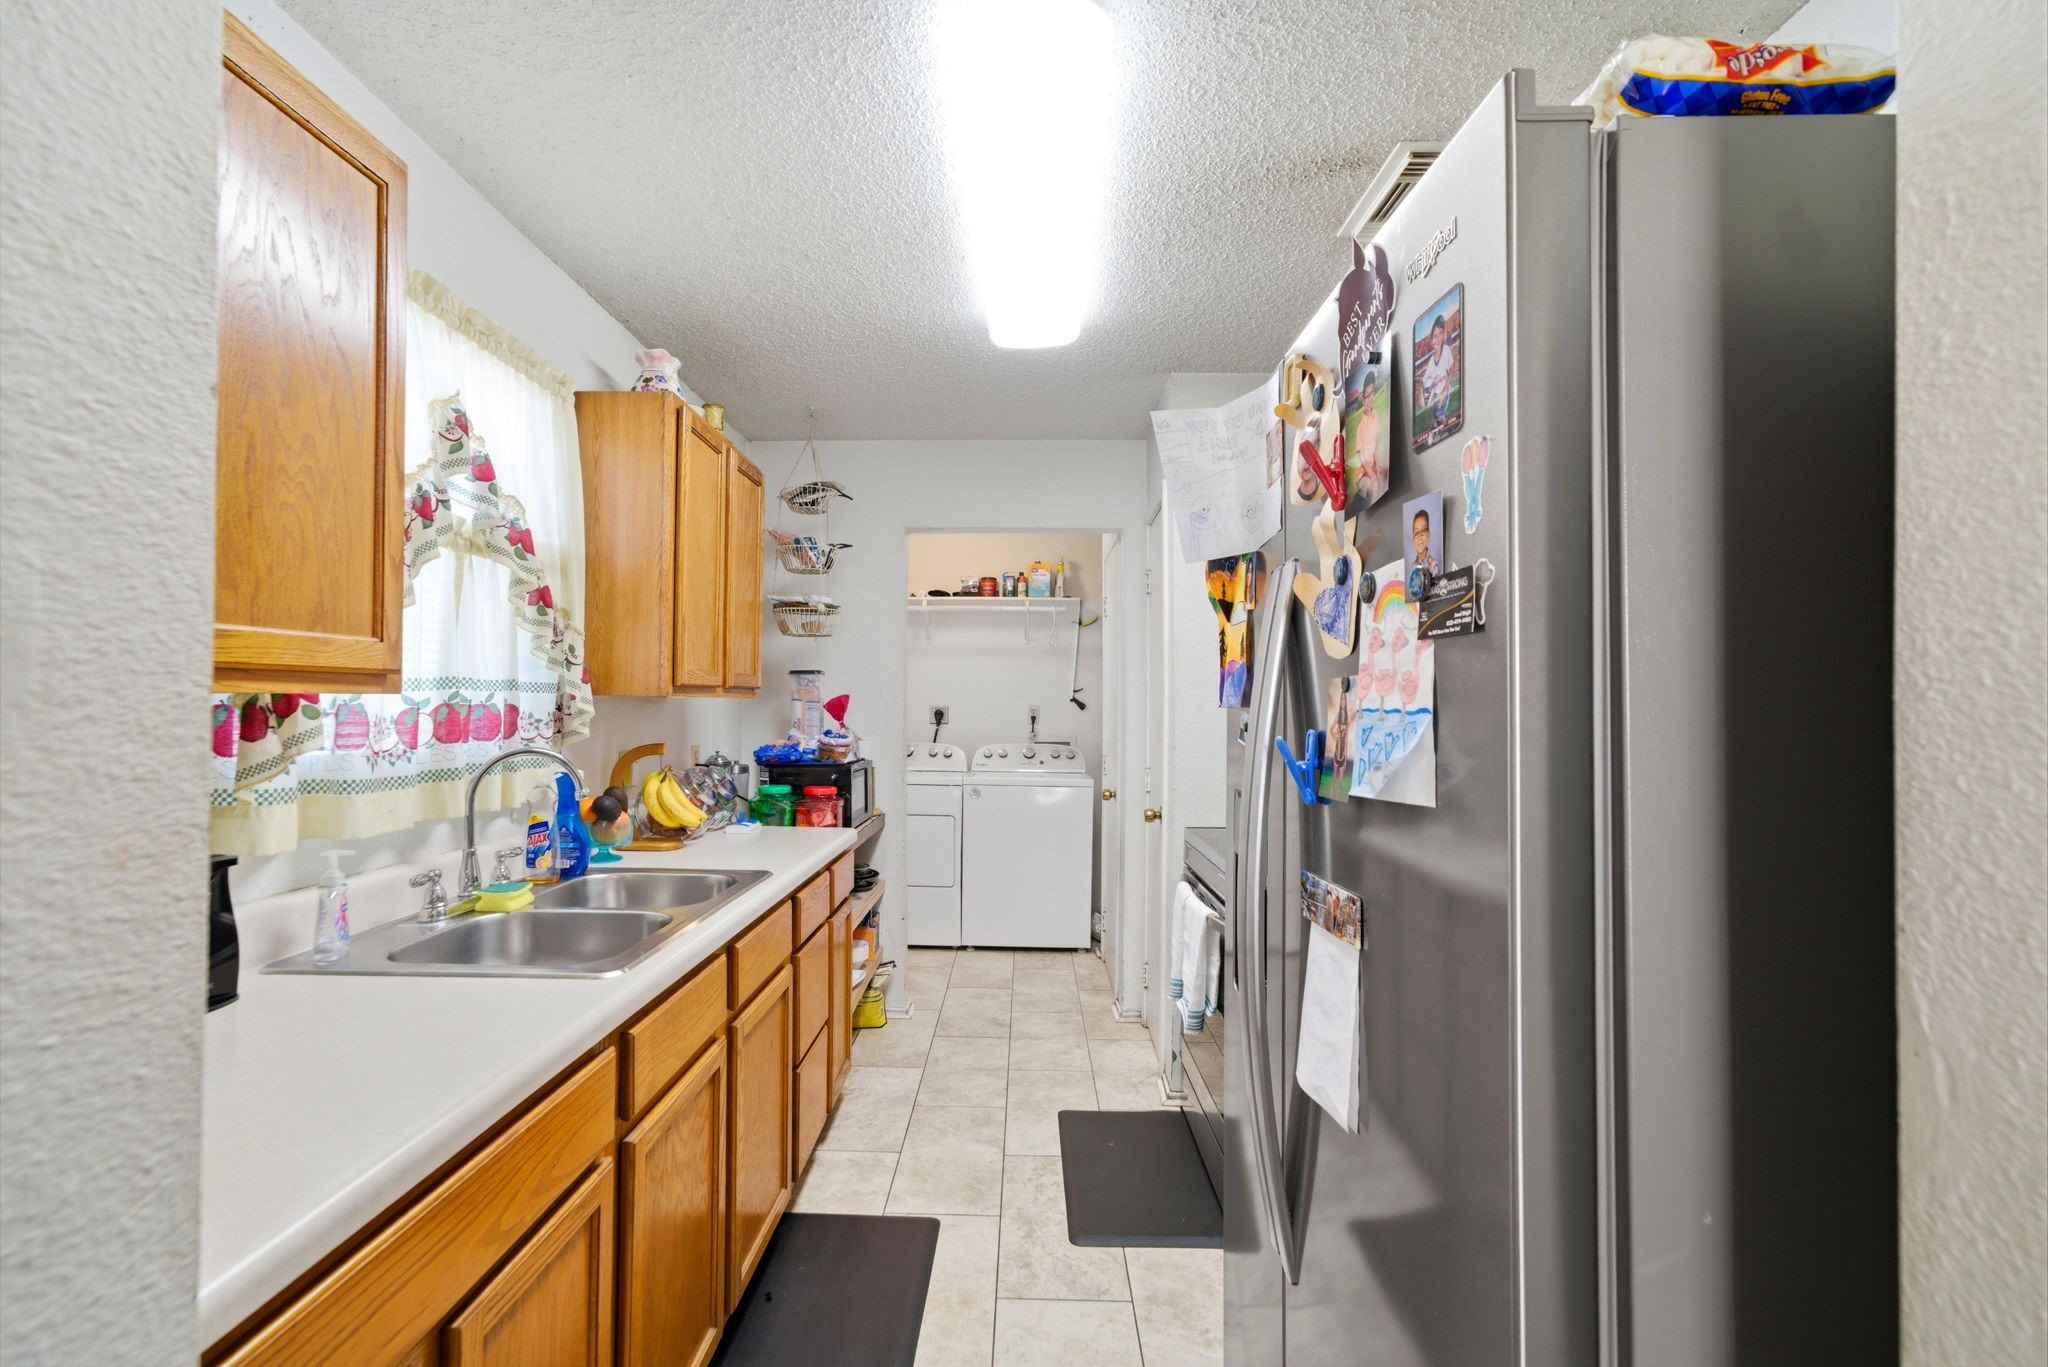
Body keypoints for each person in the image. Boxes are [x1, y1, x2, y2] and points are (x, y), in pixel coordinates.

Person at [1418, 313, 1455, 420]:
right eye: (1435, 336)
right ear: (1431, 340)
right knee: (1436, 421)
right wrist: (1423, 391)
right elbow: (1425, 385)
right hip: (1436, 396)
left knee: (1442, 418)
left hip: (1444, 393)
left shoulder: (1446, 350)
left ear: (1443, 335)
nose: (1437, 339)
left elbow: (1452, 369)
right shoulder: (1430, 362)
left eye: (1440, 334)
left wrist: (1445, 388)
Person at [1411, 507, 1440, 577]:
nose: (1420, 537)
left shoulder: (1434, 565)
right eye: (1416, 533)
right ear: (1413, 541)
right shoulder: (1413, 566)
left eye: (1423, 531)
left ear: (1429, 535)